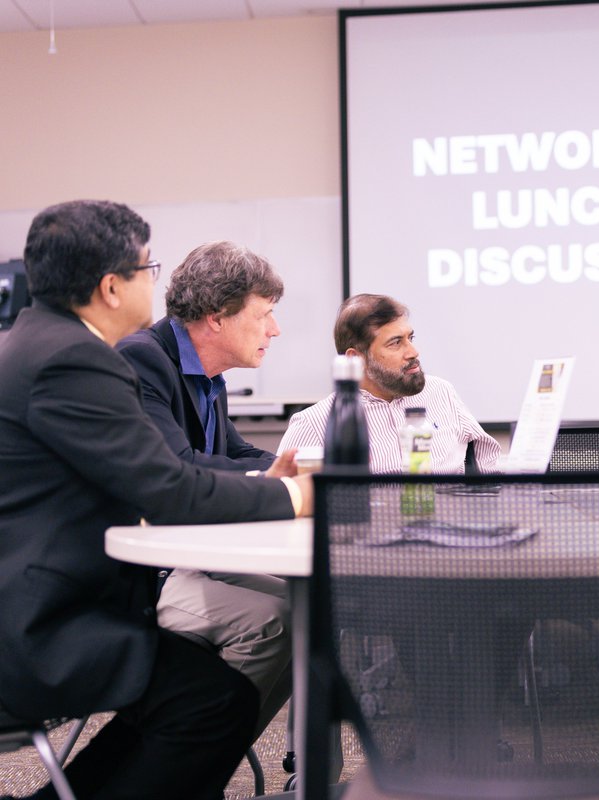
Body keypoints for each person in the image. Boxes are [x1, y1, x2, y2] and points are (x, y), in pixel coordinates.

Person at [0, 200, 311, 800]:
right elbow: (169, 487)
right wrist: (292, 494)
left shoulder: (41, 343)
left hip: (57, 602)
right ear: (111, 287)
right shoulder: (73, 360)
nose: (157, 284)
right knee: (211, 702)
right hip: (41, 626)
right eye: (148, 268)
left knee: (199, 700)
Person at [116, 241, 295, 737]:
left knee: (311, 610)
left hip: (186, 555)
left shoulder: (206, 374)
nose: (274, 329)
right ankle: (184, 755)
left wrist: (300, 470)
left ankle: (204, 756)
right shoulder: (142, 360)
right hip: (139, 573)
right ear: (217, 317)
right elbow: (180, 467)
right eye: (264, 314)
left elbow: (235, 453)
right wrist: (281, 485)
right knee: (277, 621)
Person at [279, 293, 501, 472]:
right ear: (356, 359)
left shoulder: (441, 392)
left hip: (450, 513)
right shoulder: (314, 423)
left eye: (410, 338)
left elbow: (487, 465)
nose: (413, 352)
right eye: (395, 343)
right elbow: (286, 495)